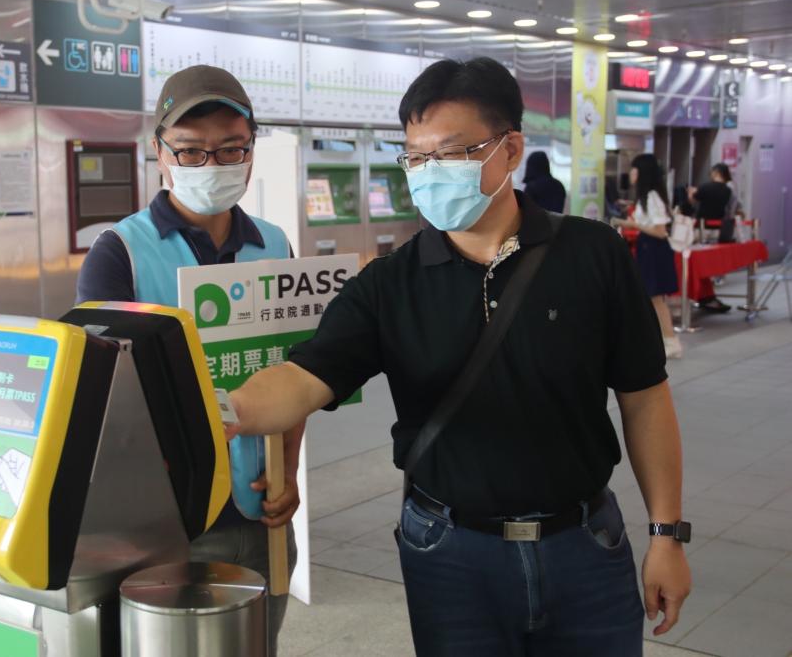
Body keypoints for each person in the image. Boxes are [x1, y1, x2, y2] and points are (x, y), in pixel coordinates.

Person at [225, 57, 691, 656]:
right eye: (416, 158)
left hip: (585, 546)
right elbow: (301, 379)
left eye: (450, 153)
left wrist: (666, 535)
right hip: (450, 555)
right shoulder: (390, 284)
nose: (428, 173)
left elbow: (645, 398)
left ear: (511, 148)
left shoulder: (591, 254)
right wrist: (219, 407)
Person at [76, 65, 301, 656]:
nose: (213, 165)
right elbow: (98, 397)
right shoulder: (118, 252)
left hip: (258, 510)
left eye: (231, 149)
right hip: (162, 527)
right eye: (191, 151)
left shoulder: (274, 245)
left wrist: (290, 472)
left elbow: (294, 368)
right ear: (160, 153)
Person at [612, 154, 683, 359]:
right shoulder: (647, 197)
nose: (631, 173)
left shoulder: (652, 196)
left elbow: (660, 231)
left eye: (634, 169)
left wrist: (632, 225)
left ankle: (671, 340)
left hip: (654, 249)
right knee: (650, 298)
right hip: (648, 248)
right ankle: (661, 340)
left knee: (656, 299)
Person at [686, 166, 736, 311]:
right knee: (711, 259)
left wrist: (691, 193)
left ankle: (701, 289)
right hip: (718, 229)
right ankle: (712, 283)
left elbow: (692, 201)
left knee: (696, 259)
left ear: (716, 173)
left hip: (701, 228)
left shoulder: (705, 187)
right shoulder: (728, 190)